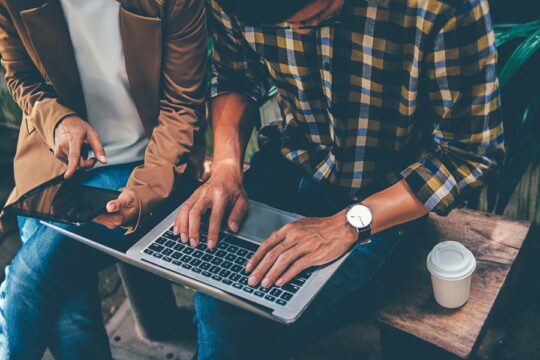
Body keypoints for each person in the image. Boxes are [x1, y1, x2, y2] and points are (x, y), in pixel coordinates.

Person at [180, 0, 505, 358]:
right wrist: (227, 166)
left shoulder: (444, 8)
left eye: (314, 17)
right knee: (218, 303)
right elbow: (234, 75)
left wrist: (350, 223)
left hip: (387, 196)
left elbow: (470, 153)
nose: (298, 31)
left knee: (244, 330)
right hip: (287, 164)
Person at [0, 0, 207, 358]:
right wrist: (58, 121)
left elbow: (182, 107)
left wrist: (144, 191)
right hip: (54, 160)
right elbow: (21, 78)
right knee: (69, 308)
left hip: (152, 162)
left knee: (30, 281)